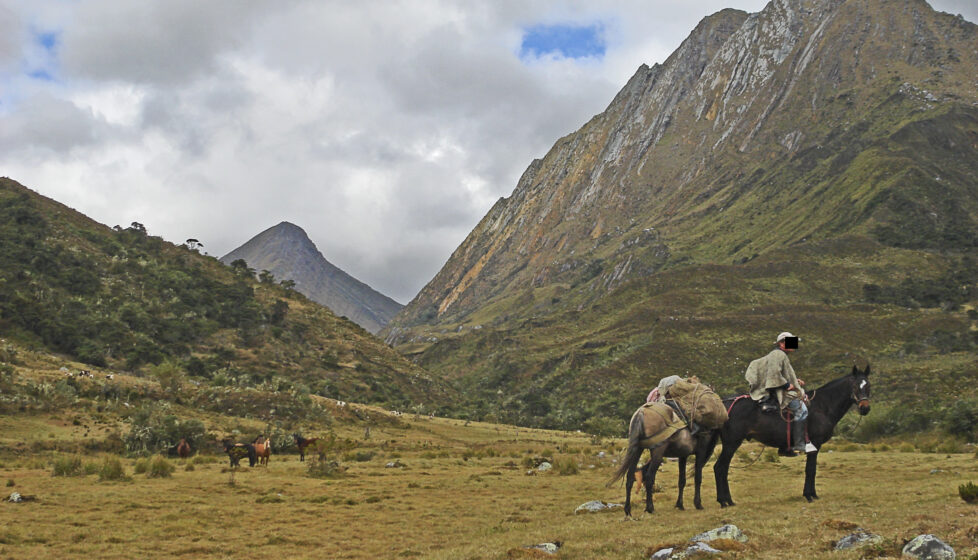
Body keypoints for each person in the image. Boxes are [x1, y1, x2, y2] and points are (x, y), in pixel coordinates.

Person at [745, 331, 809, 456]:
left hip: (779, 388)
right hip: (780, 391)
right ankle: (799, 444)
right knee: (802, 411)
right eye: (790, 342)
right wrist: (787, 385)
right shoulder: (778, 355)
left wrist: (795, 381)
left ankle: (785, 446)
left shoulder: (779, 355)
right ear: (781, 343)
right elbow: (774, 375)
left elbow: (781, 374)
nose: (793, 345)